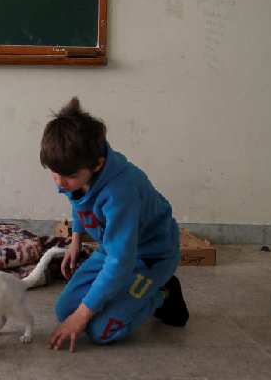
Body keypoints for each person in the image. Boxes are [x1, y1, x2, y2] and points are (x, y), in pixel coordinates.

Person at [43, 97, 188, 352]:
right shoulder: (78, 168)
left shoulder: (122, 192)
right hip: (114, 249)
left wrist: (83, 316)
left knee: (101, 330)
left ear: (97, 164)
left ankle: (163, 290)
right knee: (65, 310)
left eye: (68, 176)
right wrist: (76, 239)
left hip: (151, 256)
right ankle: (129, 293)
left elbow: (121, 262)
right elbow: (79, 201)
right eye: (54, 173)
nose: (59, 183)